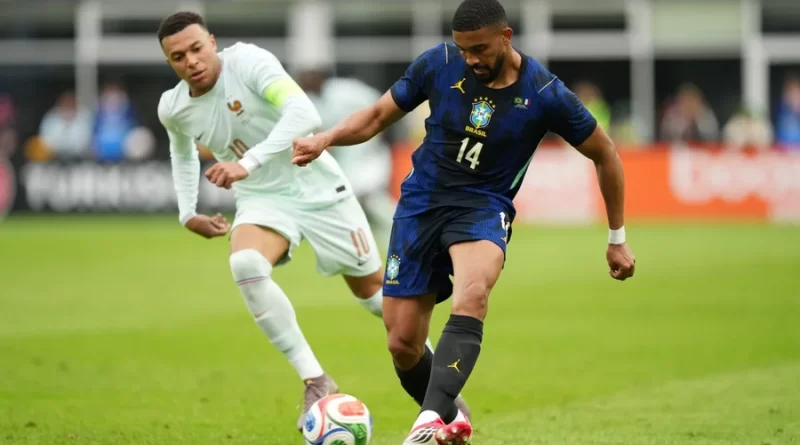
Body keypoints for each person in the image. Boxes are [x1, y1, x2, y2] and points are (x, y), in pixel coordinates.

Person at [291, 0, 637, 443]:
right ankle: (452, 415)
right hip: (421, 204)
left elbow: (605, 153)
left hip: (482, 206)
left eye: (480, 49)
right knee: (402, 342)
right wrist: (327, 138)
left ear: (506, 37)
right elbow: (377, 116)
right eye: (464, 49)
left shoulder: (545, 93)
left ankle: (428, 422)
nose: (471, 59)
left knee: (472, 294)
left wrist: (616, 237)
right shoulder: (438, 64)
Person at [154, 12, 470, 433]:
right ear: (169, 62)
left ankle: (440, 391)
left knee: (377, 297)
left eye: (196, 48)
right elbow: (181, 152)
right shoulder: (173, 107)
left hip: (317, 186)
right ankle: (315, 379)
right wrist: (187, 211)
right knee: (245, 263)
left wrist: (247, 163)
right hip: (263, 198)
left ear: (211, 42)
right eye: (178, 57)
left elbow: (303, 114)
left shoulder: (247, 62)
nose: (191, 61)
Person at [298, 69, 397, 248]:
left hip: (369, 154)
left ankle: (402, 228)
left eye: (310, 74)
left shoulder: (346, 90)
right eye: (304, 75)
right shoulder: (309, 102)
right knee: (354, 202)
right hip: (346, 161)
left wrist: (377, 133)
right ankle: (387, 240)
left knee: (370, 197)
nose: (307, 79)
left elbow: (380, 107)